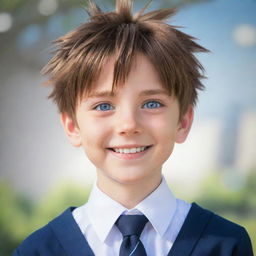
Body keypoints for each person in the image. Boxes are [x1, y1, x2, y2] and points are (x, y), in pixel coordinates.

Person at [13, 0, 253, 255]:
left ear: (183, 122)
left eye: (152, 103)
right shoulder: (37, 250)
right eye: (104, 106)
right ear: (72, 126)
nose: (128, 125)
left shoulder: (227, 244)